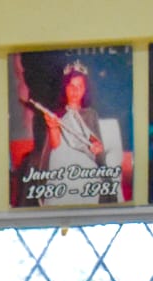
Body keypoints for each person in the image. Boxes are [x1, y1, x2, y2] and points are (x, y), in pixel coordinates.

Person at [32, 62, 110, 205]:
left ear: (85, 90)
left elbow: (93, 139)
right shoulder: (56, 115)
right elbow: (55, 146)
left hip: (85, 162)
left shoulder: (90, 114)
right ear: (65, 88)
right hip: (62, 161)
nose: (75, 91)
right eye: (71, 86)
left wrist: (96, 146)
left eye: (79, 87)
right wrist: (53, 127)